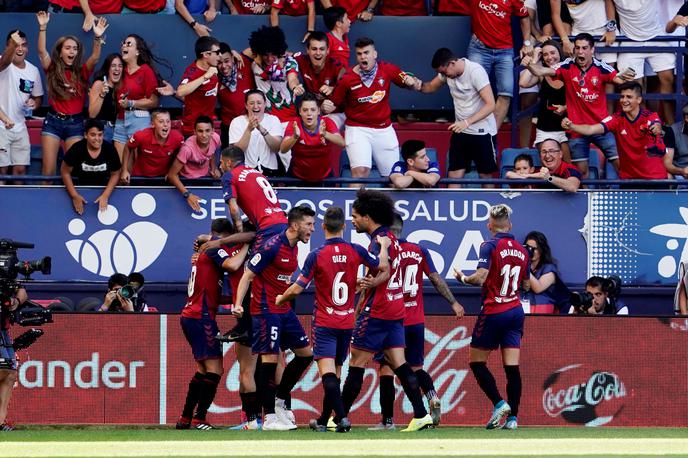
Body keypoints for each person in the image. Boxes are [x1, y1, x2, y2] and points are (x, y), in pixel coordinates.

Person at [275, 206, 388, 433]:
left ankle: (343, 418)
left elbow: (297, 288)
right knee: (336, 373)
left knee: (327, 373)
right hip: (347, 322)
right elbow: (382, 266)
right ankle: (325, 419)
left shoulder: (316, 254)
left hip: (326, 321)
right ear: (344, 227)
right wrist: (384, 247)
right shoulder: (356, 250)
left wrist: (280, 298)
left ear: (324, 227)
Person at [337, 188, 434, 432]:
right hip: (395, 309)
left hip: (378, 311)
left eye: (355, 216)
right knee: (400, 364)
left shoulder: (379, 241)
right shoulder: (394, 240)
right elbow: (388, 272)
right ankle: (421, 414)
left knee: (357, 363)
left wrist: (370, 283)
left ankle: (338, 418)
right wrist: (370, 282)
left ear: (368, 217)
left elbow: (384, 268)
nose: (353, 220)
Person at [371, 213, 464, 430]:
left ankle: (387, 421)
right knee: (416, 367)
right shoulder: (419, 250)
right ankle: (432, 395)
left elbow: (380, 278)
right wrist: (454, 302)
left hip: (393, 318)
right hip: (416, 320)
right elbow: (435, 279)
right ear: (402, 229)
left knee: (386, 369)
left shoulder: (386, 250)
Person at [231, 205, 316, 431]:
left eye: (313, 225)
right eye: (309, 225)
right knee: (269, 362)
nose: (312, 229)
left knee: (306, 355)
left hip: (284, 309)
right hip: (265, 309)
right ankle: (268, 418)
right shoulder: (272, 246)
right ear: (295, 225)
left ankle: (279, 399)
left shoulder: (295, 247)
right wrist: (238, 305)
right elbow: (247, 275)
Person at [454, 203, 529, 430]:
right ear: (510, 225)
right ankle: (513, 419)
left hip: (495, 310)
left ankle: (499, 403)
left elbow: (480, 277)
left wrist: (463, 278)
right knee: (512, 368)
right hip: (516, 311)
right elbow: (526, 284)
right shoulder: (523, 250)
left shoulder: (489, 245)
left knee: (476, 362)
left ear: (490, 225)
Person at [522, 32, 636, 179]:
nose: (580, 52)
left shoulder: (601, 68)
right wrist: (530, 65)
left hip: (601, 126)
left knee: (621, 165)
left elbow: (621, 82)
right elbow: (541, 70)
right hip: (576, 129)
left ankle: (630, 196)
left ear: (592, 50)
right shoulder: (566, 66)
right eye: (577, 48)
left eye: (584, 48)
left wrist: (626, 77)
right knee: (580, 173)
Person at [177, 217, 250, 430]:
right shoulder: (212, 250)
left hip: (192, 315)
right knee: (215, 370)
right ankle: (200, 418)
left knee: (202, 369)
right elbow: (232, 263)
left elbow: (211, 292)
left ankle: (185, 418)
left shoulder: (202, 253)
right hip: (201, 317)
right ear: (226, 238)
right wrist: (246, 244)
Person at [322, 37, 420, 180]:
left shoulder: (388, 69)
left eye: (366, 53)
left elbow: (409, 82)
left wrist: (411, 82)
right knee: (360, 172)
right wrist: (326, 106)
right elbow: (333, 104)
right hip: (357, 128)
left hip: (384, 129)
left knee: (394, 177)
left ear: (375, 54)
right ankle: (356, 203)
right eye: (359, 54)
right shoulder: (347, 78)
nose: (363, 57)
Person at [36, 11, 107, 177]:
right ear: (60, 52)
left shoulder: (82, 72)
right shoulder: (52, 69)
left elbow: (95, 57)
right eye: (68, 48)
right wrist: (42, 27)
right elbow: (41, 51)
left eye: (75, 49)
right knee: (48, 172)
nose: (72, 51)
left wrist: (97, 38)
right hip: (53, 121)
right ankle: (47, 202)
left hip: (75, 123)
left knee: (71, 171)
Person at [417, 48, 497, 188]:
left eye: (443, 72)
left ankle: (489, 210)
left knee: (486, 176)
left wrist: (466, 123)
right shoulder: (447, 74)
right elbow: (429, 87)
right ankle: (451, 209)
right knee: (454, 175)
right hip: (460, 132)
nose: (442, 75)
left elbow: (491, 105)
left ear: (452, 63)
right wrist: (414, 84)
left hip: (482, 132)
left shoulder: (475, 72)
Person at [562, 82, 670, 183]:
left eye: (629, 97)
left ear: (639, 100)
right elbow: (591, 129)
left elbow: (656, 125)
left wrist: (656, 128)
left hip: (655, 179)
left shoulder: (650, 116)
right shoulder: (616, 119)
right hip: (628, 180)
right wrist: (572, 126)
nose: (624, 100)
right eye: (622, 97)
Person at [466, 0, 531, 129]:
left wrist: (527, 43)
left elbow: (524, 17)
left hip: (505, 50)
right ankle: (474, 132)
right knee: (472, 91)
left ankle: (491, 134)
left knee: (506, 93)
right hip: (479, 48)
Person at [613, 0, 676, 124]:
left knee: (668, 79)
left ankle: (670, 125)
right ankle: (645, 124)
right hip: (629, 40)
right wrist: (611, 26)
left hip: (657, 37)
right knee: (635, 88)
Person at [113, 34, 166, 160]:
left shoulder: (145, 71)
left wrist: (131, 103)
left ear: (137, 51)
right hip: (120, 120)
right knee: (120, 166)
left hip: (139, 121)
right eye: (123, 43)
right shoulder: (119, 70)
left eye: (129, 44)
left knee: (135, 167)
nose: (124, 46)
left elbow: (154, 101)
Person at [0, 30, 43, 180]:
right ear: (8, 46)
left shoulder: (33, 70)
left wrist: (33, 104)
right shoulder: (2, 61)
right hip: (1, 127)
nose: (20, 49)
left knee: (20, 171)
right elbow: (4, 62)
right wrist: (12, 46)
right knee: (2, 172)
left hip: (20, 127)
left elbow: (38, 98)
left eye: (23, 45)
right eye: (16, 45)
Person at [518, 40, 569, 160]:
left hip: (567, 128)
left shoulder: (569, 70)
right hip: (545, 129)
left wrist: (565, 108)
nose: (549, 57)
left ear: (560, 53)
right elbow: (523, 83)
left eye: (553, 53)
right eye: (545, 54)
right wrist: (534, 59)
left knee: (567, 166)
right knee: (549, 160)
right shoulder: (541, 73)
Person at [280, 92, 345, 184]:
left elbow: (342, 143)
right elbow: (283, 149)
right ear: (300, 111)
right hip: (297, 177)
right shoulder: (294, 124)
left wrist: (325, 134)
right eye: (305, 110)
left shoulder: (327, 122)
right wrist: (294, 137)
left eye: (313, 110)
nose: (309, 114)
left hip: (325, 177)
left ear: (318, 111)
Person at [61, 118, 121, 215]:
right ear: (85, 135)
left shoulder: (109, 149)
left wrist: (105, 195)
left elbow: (116, 173)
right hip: (79, 187)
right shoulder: (76, 148)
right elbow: (65, 172)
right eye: (93, 135)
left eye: (100, 135)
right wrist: (74, 196)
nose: (97, 139)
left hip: (103, 188)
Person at [167, 115, 221, 211]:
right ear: (194, 132)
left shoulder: (216, 138)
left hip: (205, 178)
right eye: (200, 131)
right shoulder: (187, 149)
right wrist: (187, 195)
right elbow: (172, 175)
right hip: (187, 181)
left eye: (207, 131)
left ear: (213, 131)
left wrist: (213, 168)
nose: (204, 135)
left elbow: (213, 152)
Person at [228, 89, 283, 176]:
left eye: (259, 103)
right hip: (244, 172)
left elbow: (276, 148)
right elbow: (236, 153)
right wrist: (248, 130)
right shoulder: (237, 121)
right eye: (251, 103)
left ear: (265, 104)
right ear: (246, 105)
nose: (255, 106)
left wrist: (262, 130)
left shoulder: (273, 120)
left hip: (270, 171)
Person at [121, 109, 184, 184]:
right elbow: (128, 147)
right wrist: (124, 170)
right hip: (140, 177)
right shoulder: (141, 136)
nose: (165, 124)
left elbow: (181, 154)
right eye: (161, 121)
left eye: (168, 121)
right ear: (152, 124)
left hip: (163, 178)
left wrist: (172, 171)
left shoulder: (177, 138)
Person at [177, 36, 220, 137]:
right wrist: (205, 77)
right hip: (193, 130)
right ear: (205, 54)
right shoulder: (192, 71)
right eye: (217, 53)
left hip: (208, 128)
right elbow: (180, 92)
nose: (220, 56)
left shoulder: (214, 67)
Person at [551, 0, 617, 62]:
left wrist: (611, 29)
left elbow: (608, 1)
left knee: (608, 69)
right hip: (579, 32)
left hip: (604, 31)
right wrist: (565, 41)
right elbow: (555, 15)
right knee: (581, 70)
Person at [217, 42, 255, 149]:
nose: (224, 66)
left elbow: (262, 44)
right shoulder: (213, 77)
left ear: (233, 58)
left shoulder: (243, 61)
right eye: (219, 62)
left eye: (227, 61)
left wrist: (233, 52)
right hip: (229, 127)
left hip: (252, 123)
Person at [0, 285, 27, 430]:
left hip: (3, 330)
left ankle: (1, 422)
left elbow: (22, 291)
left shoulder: (6, 274)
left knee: (10, 374)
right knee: (3, 370)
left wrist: (16, 300)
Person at [522, 231, 564, 314]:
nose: (531, 251)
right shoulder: (519, 267)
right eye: (529, 247)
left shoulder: (549, 269)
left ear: (542, 250)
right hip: (523, 312)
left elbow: (538, 288)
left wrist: (524, 265)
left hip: (543, 313)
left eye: (535, 248)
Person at [88, 53, 123, 144]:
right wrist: (102, 94)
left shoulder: (121, 87)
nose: (117, 69)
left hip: (119, 131)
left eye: (120, 66)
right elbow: (92, 114)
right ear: (108, 69)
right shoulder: (99, 84)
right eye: (113, 66)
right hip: (101, 129)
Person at [663, 104, 688, 180]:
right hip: (680, 173)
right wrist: (682, 171)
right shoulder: (673, 131)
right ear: (687, 118)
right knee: (667, 177)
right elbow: (667, 164)